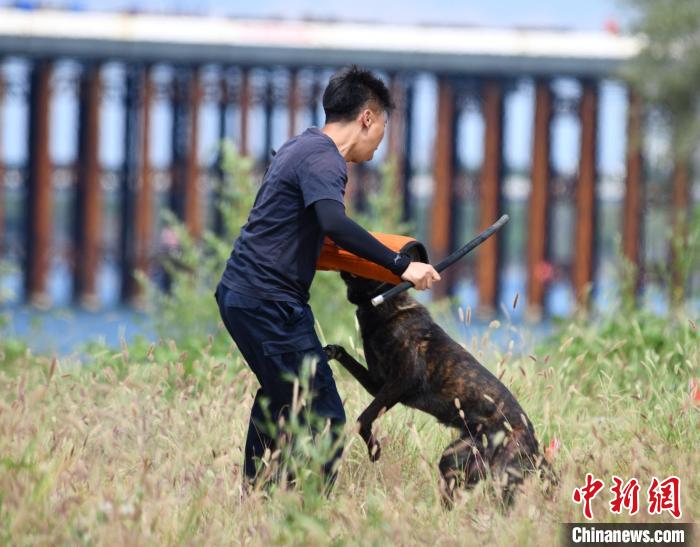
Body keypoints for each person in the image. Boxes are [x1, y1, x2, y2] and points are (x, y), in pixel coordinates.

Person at [215, 65, 441, 489]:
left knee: (280, 399)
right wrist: (401, 264)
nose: (381, 141)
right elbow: (333, 223)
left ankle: (256, 499)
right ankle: (304, 516)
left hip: (242, 296)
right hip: (268, 304)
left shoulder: (300, 147)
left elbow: (304, 232)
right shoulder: (325, 160)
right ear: (367, 118)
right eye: (383, 127)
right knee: (327, 420)